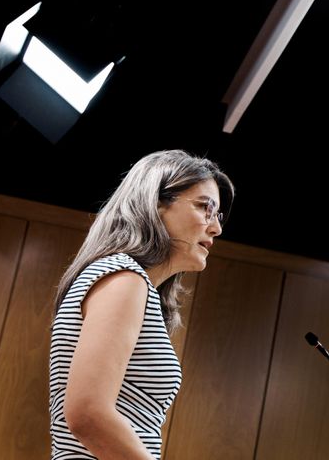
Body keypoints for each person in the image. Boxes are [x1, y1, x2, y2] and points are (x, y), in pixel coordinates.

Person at [49, 150, 234, 459]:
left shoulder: (128, 280)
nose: (216, 227)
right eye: (205, 207)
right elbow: (87, 412)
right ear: (156, 203)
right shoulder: (124, 277)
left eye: (218, 215)